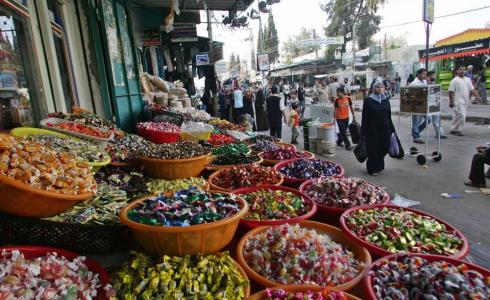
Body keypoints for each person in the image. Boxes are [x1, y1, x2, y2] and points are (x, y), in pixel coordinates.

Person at [360, 81, 395, 176]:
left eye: (381, 87)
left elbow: (389, 116)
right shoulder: (368, 101)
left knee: (383, 148)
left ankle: (380, 166)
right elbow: (365, 117)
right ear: (373, 89)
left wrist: (392, 129)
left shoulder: (386, 101)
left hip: (385, 129)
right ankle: (372, 168)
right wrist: (363, 132)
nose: (380, 89)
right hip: (372, 130)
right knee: (373, 149)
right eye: (377, 87)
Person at [448, 65, 481, 136]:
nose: (462, 71)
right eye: (460, 69)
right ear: (457, 71)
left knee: (457, 116)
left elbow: (471, 89)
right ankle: (458, 130)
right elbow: (451, 91)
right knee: (462, 115)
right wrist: (451, 101)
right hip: (457, 101)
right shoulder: (454, 80)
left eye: (463, 69)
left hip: (466, 100)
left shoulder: (468, 79)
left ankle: (453, 129)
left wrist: (477, 96)